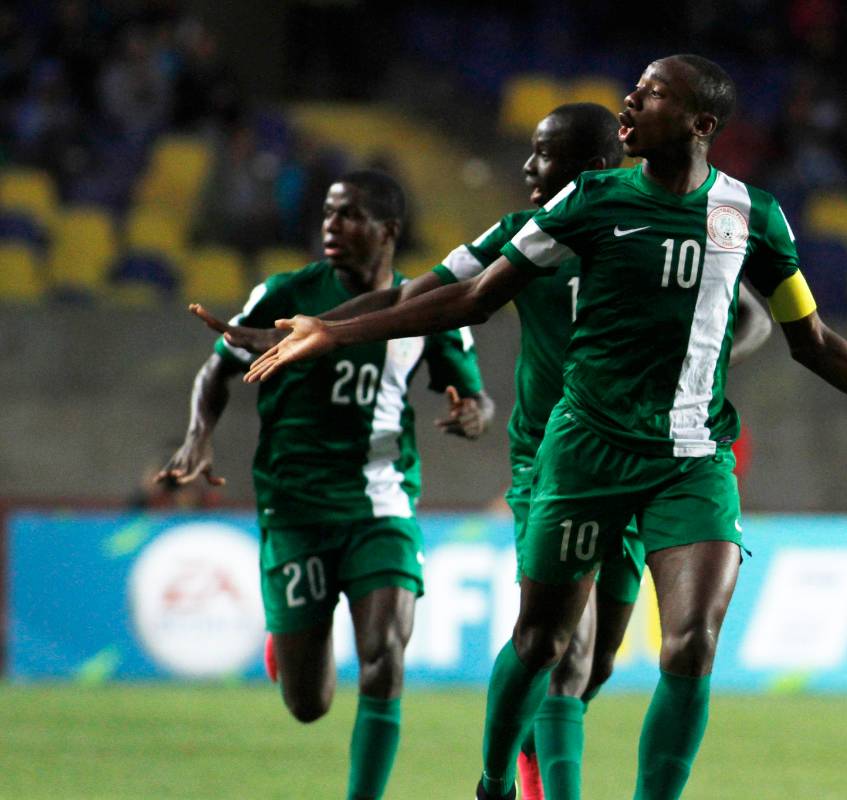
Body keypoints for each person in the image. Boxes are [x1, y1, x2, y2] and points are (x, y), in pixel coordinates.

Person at [239, 55, 847, 800]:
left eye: (651, 95)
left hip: (691, 457)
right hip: (583, 454)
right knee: (543, 644)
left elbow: (810, 339)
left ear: (701, 123)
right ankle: (495, 781)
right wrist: (335, 332)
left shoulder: (755, 217)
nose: (630, 106)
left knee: (691, 645)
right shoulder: (589, 202)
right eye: (632, 92)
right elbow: (471, 298)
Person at [195, 102, 771, 800]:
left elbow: (751, 317)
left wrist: (692, 364)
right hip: (554, 460)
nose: (528, 167)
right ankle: (518, 778)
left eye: (543, 154)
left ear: (589, 168)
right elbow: (428, 293)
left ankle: (527, 744)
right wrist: (319, 327)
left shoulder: (654, 234)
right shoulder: (522, 235)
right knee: (564, 651)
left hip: (654, 454)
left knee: (596, 668)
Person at [157, 170, 494, 800]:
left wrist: (473, 413)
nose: (332, 227)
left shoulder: (425, 306)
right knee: (308, 705)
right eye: (328, 215)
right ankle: (287, 641)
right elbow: (216, 370)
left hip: (381, 504)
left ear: (389, 231)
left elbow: (477, 396)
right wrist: (198, 437)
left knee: (384, 658)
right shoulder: (286, 293)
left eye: (350, 216)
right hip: (296, 509)